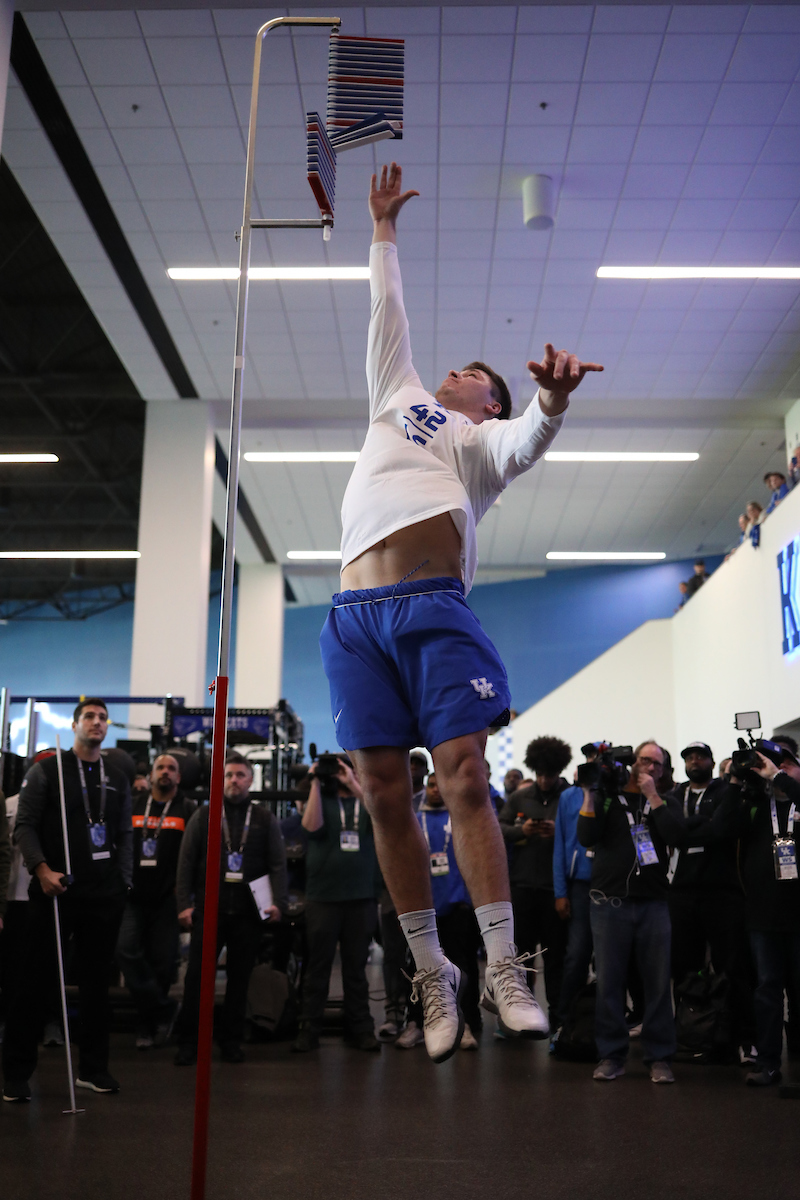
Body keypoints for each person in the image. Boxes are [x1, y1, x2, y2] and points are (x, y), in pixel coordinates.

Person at [318, 161, 602, 1062]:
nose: (452, 371)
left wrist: (552, 399)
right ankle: (430, 972)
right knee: (386, 796)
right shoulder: (395, 396)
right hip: (354, 618)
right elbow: (386, 313)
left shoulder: (478, 446)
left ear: (488, 398)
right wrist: (382, 230)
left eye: (472, 374)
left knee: (467, 779)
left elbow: (530, 439)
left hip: (435, 610)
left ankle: (502, 964)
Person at [2, 699, 132, 1102]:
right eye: (89, 717)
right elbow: (23, 827)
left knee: (97, 986)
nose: (97, 723)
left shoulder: (117, 776)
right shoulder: (47, 771)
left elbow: (125, 833)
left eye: (102, 718)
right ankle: (15, 1074)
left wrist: (123, 882)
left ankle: (94, 1070)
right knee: (36, 982)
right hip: (57, 893)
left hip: (104, 895)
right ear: (74, 724)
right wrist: (42, 871)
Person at [577, 740, 685, 1085]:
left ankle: (659, 1057)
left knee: (656, 984)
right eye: (645, 761)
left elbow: (677, 836)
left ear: (664, 772)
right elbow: (586, 837)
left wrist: (653, 797)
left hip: (653, 903)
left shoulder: (666, 802)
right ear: (633, 763)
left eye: (657, 764)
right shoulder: (609, 800)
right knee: (609, 982)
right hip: (610, 904)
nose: (650, 768)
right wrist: (590, 793)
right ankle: (611, 1055)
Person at [175, 753, 287, 1065]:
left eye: (240, 775)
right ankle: (189, 1043)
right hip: (208, 912)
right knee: (197, 979)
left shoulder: (264, 818)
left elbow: (278, 864)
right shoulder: (206, 815)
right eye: (229, 775)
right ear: (221, 780)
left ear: (251, 780)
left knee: (239, 982)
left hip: (248, 915)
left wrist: (278, 901)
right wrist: (184, 904)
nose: (234, 780)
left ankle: (231, 1042)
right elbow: (186, 863)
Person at [715, 743, 800, 1086]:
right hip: (763, 914)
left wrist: (779, 776)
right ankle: (767, 1062)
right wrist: (737, 782)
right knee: (766, 990)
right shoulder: (754, 805)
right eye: (769, 764)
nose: (775, 770)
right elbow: (721, 829)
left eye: (786, 765)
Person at [667, 742, 755, 1063]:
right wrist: (702, 828)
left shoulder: (724, 790)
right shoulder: (676, 796)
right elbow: (673, 834)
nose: (695, 761)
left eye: (701, 756)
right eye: (689, 757)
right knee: (684, 968)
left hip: (722, 892)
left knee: (733, 967)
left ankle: (745, 1038)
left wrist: (697, 830)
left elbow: (723, 828)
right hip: (682, 893)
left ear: (711, 761)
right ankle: (690, 1035)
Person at [293, 756, 381, 1053]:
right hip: (322, 897)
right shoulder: (321, 800)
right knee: (317, 967)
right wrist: (316, 780)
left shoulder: (363, 801)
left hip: (361, 896)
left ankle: (361, 1028)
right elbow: (311, 827)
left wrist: (352, 781)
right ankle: (309, 1029)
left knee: (357, 968)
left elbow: (380, 814)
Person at [116, 753, 195, 1050]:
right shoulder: (133, 805)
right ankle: (164, 1008)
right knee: (125, 950)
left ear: (179, 777)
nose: (165, 772)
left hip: (167, 900)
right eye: (160, 767)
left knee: (162, 964)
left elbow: (193, 857)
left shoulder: (187, 810)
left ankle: (147, 1025)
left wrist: (186, 895)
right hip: (132, 895)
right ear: (150, 775)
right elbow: (119, 843)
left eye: (171, 769)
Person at [398, 773, 483, 1050]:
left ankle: (466, 1023)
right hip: (422, 906)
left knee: (463, 965)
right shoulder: (411, 816)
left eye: (439, 785)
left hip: (458, 902)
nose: (435, 790)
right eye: (431, 785)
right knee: (418, 967)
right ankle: (416, 1023)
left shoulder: (460, 815)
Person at [498, 736, 577, 1031]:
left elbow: (585, 834)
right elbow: (500, 828)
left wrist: (561, 831)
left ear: (559, 771)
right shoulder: (519, 797)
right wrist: (523, 830)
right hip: (523, 886)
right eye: (540, 774)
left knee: (557, 958)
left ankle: (558, 1018)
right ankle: (520, 1016)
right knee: (520, 958)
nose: (544, 780)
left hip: (556, 890)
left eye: (550, 775)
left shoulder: (570, 796)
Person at [552, 767, 595, 1030]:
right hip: (579, 886)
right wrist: (560, 892)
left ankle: (614, 1020)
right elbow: (560, 844)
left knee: (613, 960)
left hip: (613, 885)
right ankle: (563, 1021)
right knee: (577, 956)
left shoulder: (614, 794)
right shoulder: (569, 796)